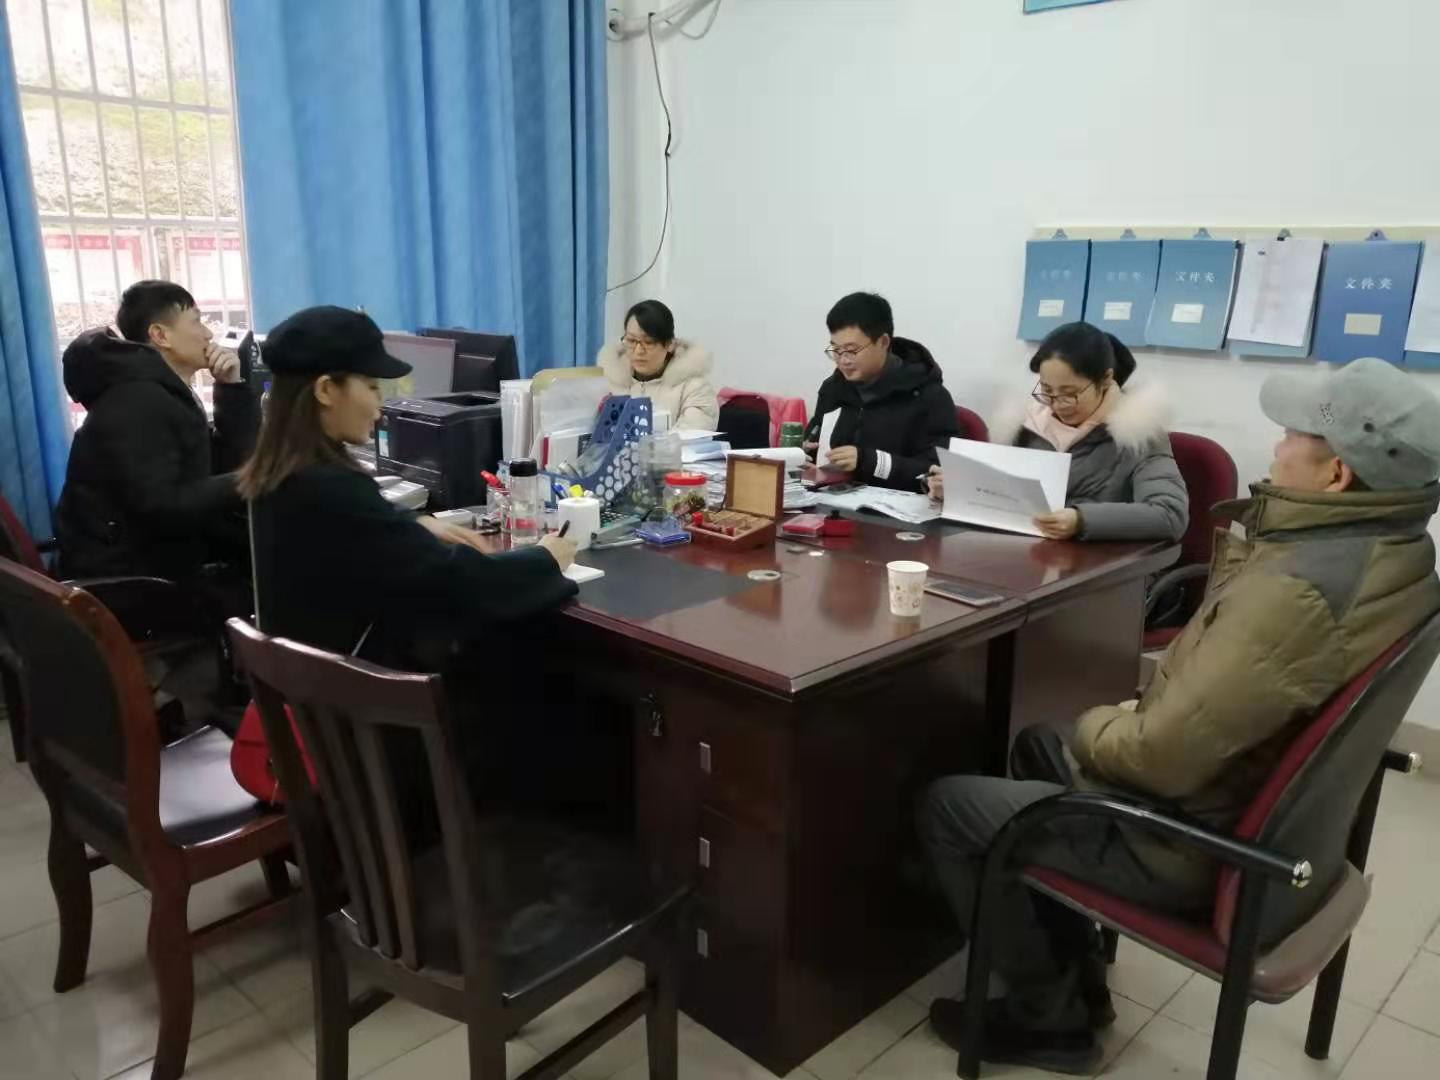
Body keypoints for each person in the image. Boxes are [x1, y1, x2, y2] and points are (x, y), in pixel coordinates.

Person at [917, 357, 1440, 1074]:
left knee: (952, 806)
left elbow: (1158, 757)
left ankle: (1050, 1020)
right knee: (1039, 741)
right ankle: (1074, 971)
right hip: (1249, 804)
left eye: (1292, 435)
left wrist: (1107, 719)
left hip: (1191, 840)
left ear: (1337, 474)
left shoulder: (1299, 592)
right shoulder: (1397, 553)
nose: (1277, 445)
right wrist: (1120, 722)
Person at [239, 305, 577, 659]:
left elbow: (365, 532)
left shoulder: (278, 472)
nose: (379, 406)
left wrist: (414, 523)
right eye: (372, 387)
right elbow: (456, 583)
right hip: (371, 686)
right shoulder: (331, 488)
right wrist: (545, 559)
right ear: (325, 390)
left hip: (309, 684)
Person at [55, 280, 259, 580]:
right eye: (196, 321)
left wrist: (231, 388)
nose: (208, 333)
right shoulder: (138, 401)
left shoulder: (162, 393)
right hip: (131, 580)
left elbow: (227, 460)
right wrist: (255, 477)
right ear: (160, 335)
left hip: (153, 560)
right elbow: (163, 508)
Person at [927, 322, 1188, 542]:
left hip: (1101, 567)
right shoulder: (1025, 426)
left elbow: (1169, 514)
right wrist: (960, 488)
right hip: (1025, 555)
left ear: (1106, 380)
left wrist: (1081, 519)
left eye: (1070, 394)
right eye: (1047, 391)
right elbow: (1004, 495)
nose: (1057, 404)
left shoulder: (1139, 435)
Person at [805, 292, 960, 492]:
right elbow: (814, 442)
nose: (843, 360)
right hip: (832, 501)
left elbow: (939, 474)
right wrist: (804, 455)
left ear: (883, 342)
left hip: (898, 507)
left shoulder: (930, 397)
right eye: (836, 350)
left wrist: (872, 462)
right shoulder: (833, 389)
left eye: (851, 350)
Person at [598, 299, 718, 431]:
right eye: (631, 340)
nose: (638, 351)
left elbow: (691, 436)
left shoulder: (694, 388)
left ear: (669, 344)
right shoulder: (608, 382)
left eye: (648, 342)